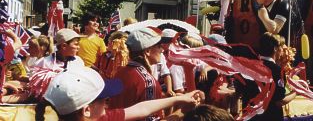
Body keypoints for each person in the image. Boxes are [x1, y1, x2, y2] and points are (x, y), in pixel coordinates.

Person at [43, 65, 205, 121]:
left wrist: (181, 99)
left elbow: (142, 108)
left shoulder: (97, 117)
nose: (108, 103)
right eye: (104, 100)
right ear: (87, 109)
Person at [108, 27, 165, 120]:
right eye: (159, 46)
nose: (162, 50)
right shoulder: (148, 82)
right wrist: (180, 112)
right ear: (147, 51)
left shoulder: (120, 72)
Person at [235, 32, 296, 120]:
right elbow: (279, 101)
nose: (282, 50)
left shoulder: (248, 66)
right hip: (270, 117)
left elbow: (238, 93)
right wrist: (296, 92)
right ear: (275, 49)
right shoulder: (276, 70)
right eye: (281, 47)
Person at [29, 28, 85, 100]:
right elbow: (35, 87)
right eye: (76, 44)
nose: (78, 47)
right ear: (64, 46)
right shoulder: (43, 63)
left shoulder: (78, 61)